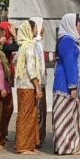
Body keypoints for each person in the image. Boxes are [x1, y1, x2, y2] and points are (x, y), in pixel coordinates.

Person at [53, 13, 80, 156]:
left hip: (67, 83)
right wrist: (72, 86)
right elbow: (70, 65)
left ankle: (70, 146)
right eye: (78, 25)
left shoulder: (70, 41)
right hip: (64, 84)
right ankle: (66, 147)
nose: (79, 28)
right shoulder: (67, 41)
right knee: (65, 116)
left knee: (70, 116)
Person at [14, 20, 42, 155]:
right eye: (35, 28)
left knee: (25, 114)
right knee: (27, 116)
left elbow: (15, 62)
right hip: (29, 86)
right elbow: (31, 69)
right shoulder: (30, 47)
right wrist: (37, 86)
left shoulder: (22, 46)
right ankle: (23, 146)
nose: (37, 30)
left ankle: (27, 144)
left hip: (21, 86)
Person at [0, 22, 17, 143]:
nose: (3, 34)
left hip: (6, 79)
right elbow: (16, 47)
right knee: (4, 107)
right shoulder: (0, 45)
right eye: (2, 31)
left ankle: (2, 133)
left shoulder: (4, 44)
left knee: (8, 107)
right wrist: (14, 35)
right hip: (1, 80)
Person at [30, 17, 48, 147]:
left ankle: (38, 137)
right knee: (38, 112)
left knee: (41, 111)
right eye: (41, 26)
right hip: (38, 83)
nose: (43, 29)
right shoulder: (35, 44)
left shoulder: (38, 43)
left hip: (41, 82)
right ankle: (36, 139)